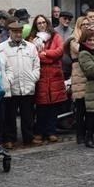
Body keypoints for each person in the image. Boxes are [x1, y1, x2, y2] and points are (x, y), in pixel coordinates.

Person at [0, 20, 40, 149]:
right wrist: (7, 81)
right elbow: (0, 67)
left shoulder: (30, 46)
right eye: (15, 32)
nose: (18, 34)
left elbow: (36, 65)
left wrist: (33, 78)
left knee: (28, 115)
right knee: (10, 116)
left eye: (19, 32)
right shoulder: (2, 47)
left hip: (27, 86)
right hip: (11, 86)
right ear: (9, 32)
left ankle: (29, 137)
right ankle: (10, 139)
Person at [28, 15, 66, 144]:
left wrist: (46, 53)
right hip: (41, 75)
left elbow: (59, 51)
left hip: (55, 75)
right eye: (39, 23)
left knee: (53, 107)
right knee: (41, 107)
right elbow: (34, 56)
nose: (42, 25)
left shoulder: (56, 36)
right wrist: (48, 56)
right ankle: (39, 131)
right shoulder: (33, 39)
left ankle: (51, 131)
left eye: (43, 22)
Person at [68, 17, 89, 144]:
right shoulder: (73, 39)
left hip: (89, 71)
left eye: (88, 24)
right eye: (83, 24)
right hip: (78, 72)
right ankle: (80, 134)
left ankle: (89, 131)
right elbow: (81, 50)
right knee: (80, 106)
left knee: (89, 106)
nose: (86, 26)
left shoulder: (91, 37)